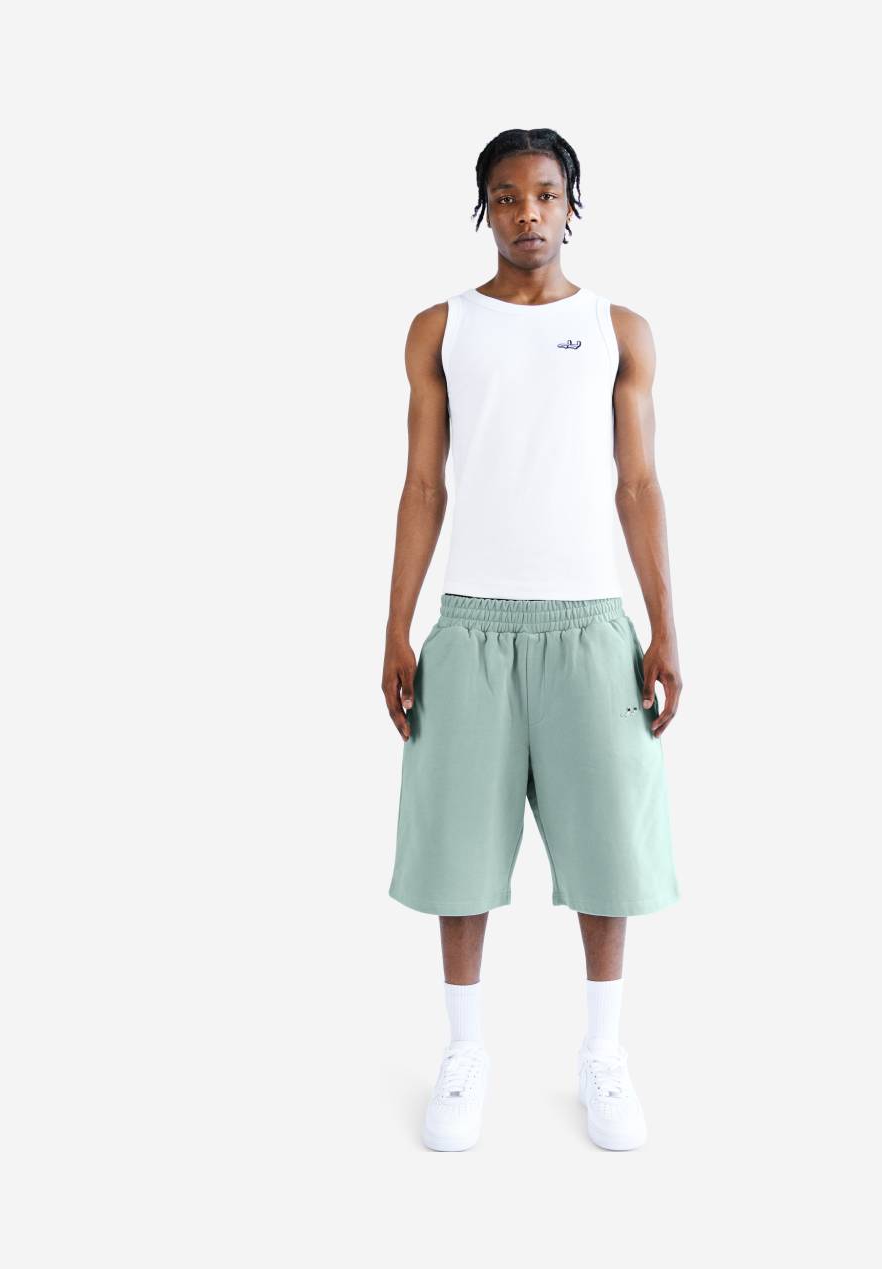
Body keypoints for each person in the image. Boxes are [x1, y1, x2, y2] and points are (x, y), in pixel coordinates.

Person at [382, 128, 682, 1152]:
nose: (526, 214)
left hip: (589, 622)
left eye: (545, 194)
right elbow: (423, 486)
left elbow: (637, 485)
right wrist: (396, 627)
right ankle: (464, 1051)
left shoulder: (615, 329)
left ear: (571, 206)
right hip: (471, 623)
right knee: (456, 850)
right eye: (505, 196)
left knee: (609, 846)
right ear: (484, 209)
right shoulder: (442, 328)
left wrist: (663, 626)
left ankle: (604, 1052)